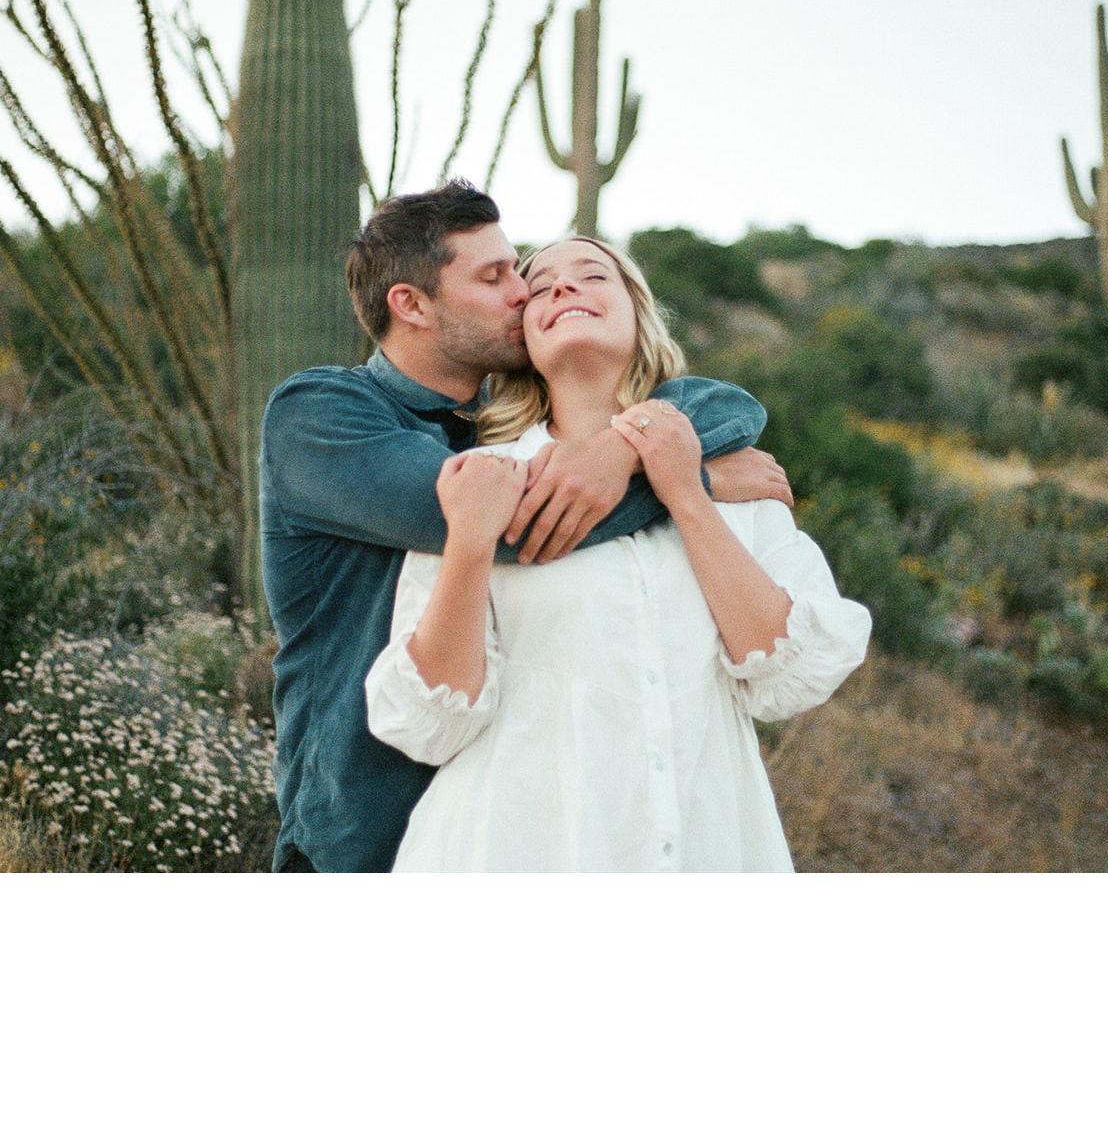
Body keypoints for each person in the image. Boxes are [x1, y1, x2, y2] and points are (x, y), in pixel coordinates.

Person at [259, 180, 792, 873]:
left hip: (516, 829)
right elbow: (517, 528)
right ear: (411, 304)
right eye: (495, 276)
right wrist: (694, 483)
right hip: (364, 835)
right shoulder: (323, 416)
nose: (524, 292)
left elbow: (721, 404)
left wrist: (625, 447)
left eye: (518, 269)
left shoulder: (497, 432)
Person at [364, 234, 872, 871]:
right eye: (541, 286)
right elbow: (429, 722)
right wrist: (467, 543)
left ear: (640, 315)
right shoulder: (480, 484)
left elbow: (784, 677)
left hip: (703, 844)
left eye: (591, 275)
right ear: (523, 336)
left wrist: (687, 491)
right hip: (512, 851)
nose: (564, 289)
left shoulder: (731, 477)